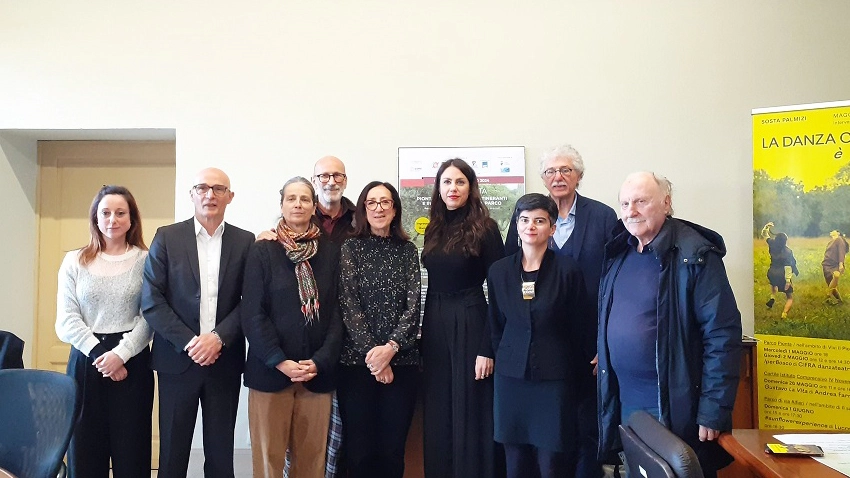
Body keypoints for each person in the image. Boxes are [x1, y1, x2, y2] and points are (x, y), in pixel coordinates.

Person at [597, 172, 742, 478]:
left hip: (676, 409)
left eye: (641, 201)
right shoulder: (618, 251)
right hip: (626, 404)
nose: (631, 210)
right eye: (625, 203)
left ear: (666, 203)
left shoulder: (695, 255)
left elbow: (722, 336)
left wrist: (714, 410)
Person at [505, 144, 618, 478]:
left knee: (585, 425)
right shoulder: (527, 219)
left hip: (588, 341)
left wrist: (603, 343)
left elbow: (614, 281)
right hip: (540, 347)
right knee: (544, 432)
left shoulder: (603, 217)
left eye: (566, 170)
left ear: (579, 176)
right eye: (551, 171)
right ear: (542, 178)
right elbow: (509, 275)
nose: (558, 177)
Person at [141, 168, 254, 478]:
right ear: (191, 194)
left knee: (220, 456)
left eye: (219, 189)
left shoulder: (245, 242)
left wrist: (218, 338)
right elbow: (152, 300)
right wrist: (192, 343)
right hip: (177, 361)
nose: (210, 194)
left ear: (230, 197)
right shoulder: (167, 237)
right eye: (202, 188)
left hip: (224, 361)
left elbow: (251, 302)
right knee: (172, 456)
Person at [241, 177, 343, 478]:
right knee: (268, 462)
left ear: (314, 206)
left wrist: (321, 360)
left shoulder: (331, 251)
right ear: (281, 204)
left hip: (316, 375)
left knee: (312, 464)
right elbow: (253, 313)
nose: (298, 204)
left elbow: (338, 312)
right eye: (291, 198)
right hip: (270, 372)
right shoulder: (263, 250)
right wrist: (279, 360)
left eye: (304, 199)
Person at [488, 193, 593, 478]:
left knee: (552, 465)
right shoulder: (498, 272)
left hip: (554, 380)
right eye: (524, 220)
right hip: (511, 381)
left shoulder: (568, 270)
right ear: (517, 225)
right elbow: (496, 324)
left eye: (539, 220)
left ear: (552, 227)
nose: (530, 226)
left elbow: (579, 324)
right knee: (516, 465)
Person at [56, 185, 153, 478]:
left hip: (132, 362)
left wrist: (120, 355)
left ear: (132, 219)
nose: (112, 219)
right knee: (85, 452)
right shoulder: (74, 260)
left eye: (120, 213)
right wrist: (102, 356)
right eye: (105, 213)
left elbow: (149, 317)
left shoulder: (146, 260)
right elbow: (66, 319)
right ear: (95, 218)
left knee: (132, 453)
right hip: (87, 362)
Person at [421, 158, 505, 478]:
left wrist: (488, 347)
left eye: (459, 182)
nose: (452, 188)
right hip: (435, 320)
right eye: (446, 182)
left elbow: (499, 291)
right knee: (439, 406)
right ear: (438, 188)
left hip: (471, 318)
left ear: (471, 188)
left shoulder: (485, 228)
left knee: (471, 407)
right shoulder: (433, 227)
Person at [337, 181, 421, 478]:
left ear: (395, 209)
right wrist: (375, 357)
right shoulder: (351, 248)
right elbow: (348, 303)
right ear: (363, 209)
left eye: (385, 202)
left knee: (392, 451)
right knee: (359, 453)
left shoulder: (408, 250)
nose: (379, 208)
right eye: (371, 203)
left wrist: (391, 349)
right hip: (357, 366)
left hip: (402, 364)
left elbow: (414, 307)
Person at [313, 155, 356, 244]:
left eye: (337, 175)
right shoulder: (302, 216)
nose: (332, 182)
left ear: (345, 182)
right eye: (324, 176)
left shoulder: (359, 218)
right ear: (314, 182)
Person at [760, 223, 799, 318]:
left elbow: (764, 234)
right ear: (785, 241)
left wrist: (767, 227)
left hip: (771, 272)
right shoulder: (788, 251)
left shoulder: (772, 244)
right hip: (782, 274)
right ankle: (784, 314)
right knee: (789, 297)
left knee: (773, 283)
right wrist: (788, 281)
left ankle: (772, 297)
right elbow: (788, 267)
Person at [822, 229, 848, 305]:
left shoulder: (839, 240)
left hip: (835, 264)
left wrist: (840, 263)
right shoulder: (831, 242)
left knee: (836, 276)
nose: (831, 232)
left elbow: (841, 252)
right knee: (831, 284)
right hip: (827, 264)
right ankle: (839, 301)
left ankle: (827, 297)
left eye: (834, 231)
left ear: (838, 233)